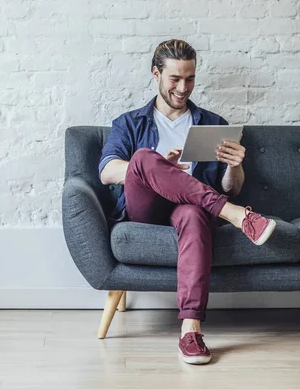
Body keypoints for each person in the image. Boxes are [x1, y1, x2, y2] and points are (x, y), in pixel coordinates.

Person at [98, 39, 276, 365]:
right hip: (146, 208)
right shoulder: (130, 122)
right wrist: (157, 168)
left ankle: (191, 330)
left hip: (191, 207)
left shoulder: (214, 124)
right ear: (156, 74)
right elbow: (108, 172)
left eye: (190, 79)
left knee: (194, 214)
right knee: (143, 158)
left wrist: (235, 165)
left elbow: (230, 186)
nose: (183, 88)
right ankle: (237, 216)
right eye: (175, 79)